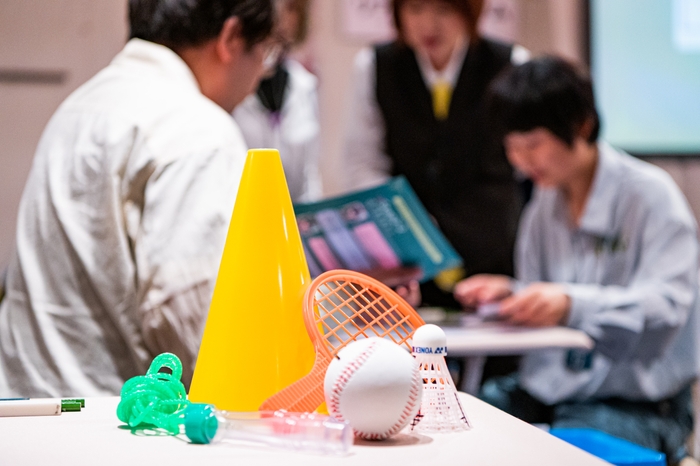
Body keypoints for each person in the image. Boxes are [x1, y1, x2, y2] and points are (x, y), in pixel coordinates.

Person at [0, 0, 275, 398]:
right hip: (111, 417)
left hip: (20, 410)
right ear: (231, 38)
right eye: (264, 52)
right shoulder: (196, 129)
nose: (260, 73)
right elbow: (196, 320)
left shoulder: (80, 104)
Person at [454, 56, 699, 462]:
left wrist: (570, 305)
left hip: (636, 401)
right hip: (552, 390)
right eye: (511, 148)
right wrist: (513, 295)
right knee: (462, 421)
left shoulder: (650, 196)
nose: (521, 161)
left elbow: (668, 305)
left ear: (581, 126)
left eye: (532, 145)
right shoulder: (543, 206)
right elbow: (549, 294)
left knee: (568, 451)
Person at [340, 0, 530, 308]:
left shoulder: (510, 63)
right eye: (415, 9)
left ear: (469, 12)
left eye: (444, 10)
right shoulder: (375, 66)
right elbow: (362, 161)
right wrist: (402, 216)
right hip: (411, 266)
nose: (429, 25)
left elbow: (526, 164)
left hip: (491, 257)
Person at [233, 0, 322, 203]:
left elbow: (309, 177)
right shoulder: (234, 86)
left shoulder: (304, 85)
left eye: (291, 8)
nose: (281, 17)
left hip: (292, 214)